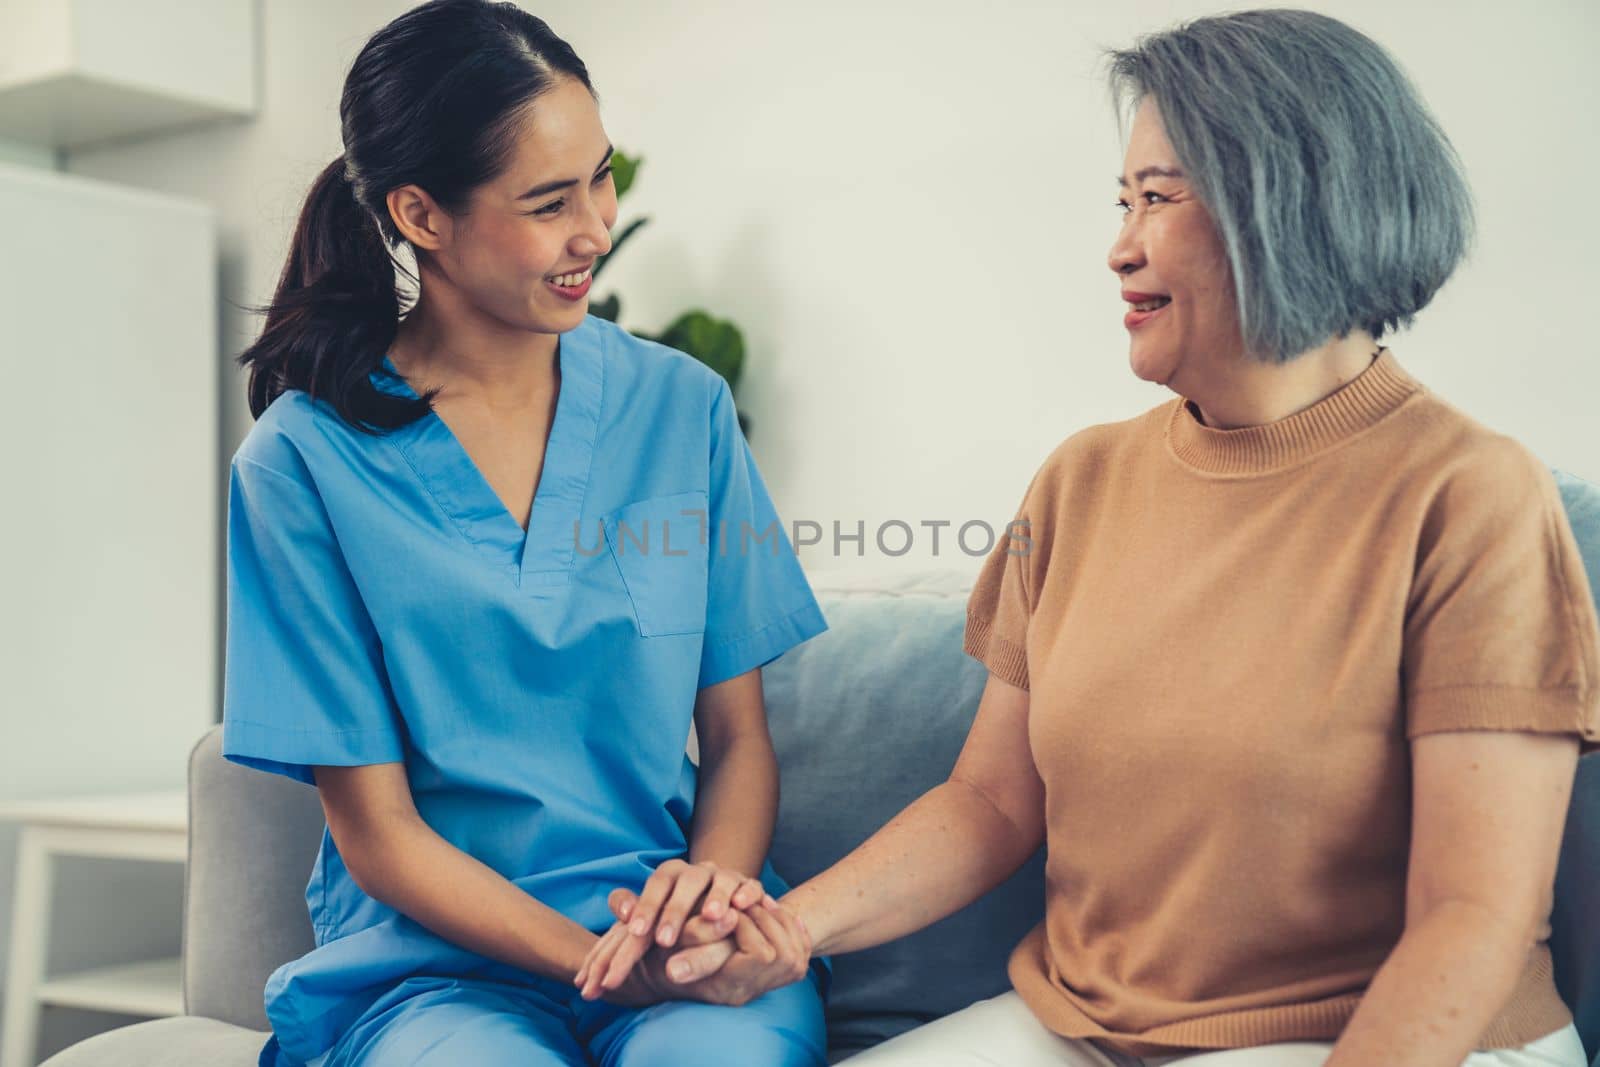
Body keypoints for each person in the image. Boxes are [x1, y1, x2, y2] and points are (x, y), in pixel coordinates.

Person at [588, 10, 1600, 1066]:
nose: (1119, 246)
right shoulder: (1085, 479)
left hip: (1377, 1034)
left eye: (1157, 198)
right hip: (1087, 1025)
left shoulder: (1471, 496)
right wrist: (782, 934)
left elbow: (1470, 916)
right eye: (1123, 201)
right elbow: (988, 800)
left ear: (1286, 197)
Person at [222, 1, 824, 1064]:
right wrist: (593, 958)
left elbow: (737, 740)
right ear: (421, 213)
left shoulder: (681, 408)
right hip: (430, 966)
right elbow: (381, 834)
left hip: (677, 940)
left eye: (599, 178)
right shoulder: (301, 465)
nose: (594, 227)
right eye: (548, 201)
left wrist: (704, 905)